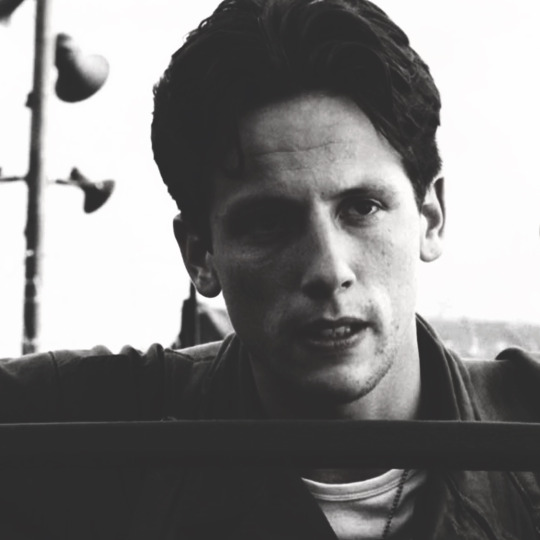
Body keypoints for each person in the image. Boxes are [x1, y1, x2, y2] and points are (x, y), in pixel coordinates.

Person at [1, 0, 540, 538]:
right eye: (268, 222)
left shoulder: (527, 425)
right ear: (200, 255)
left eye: (362, 208)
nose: (328, 269)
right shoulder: (90, 426)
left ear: (430, 217)